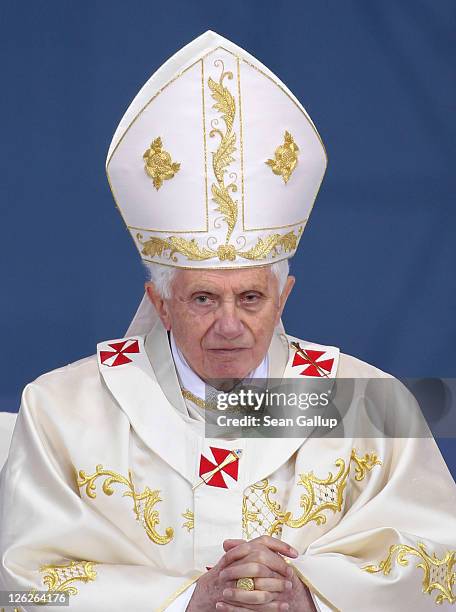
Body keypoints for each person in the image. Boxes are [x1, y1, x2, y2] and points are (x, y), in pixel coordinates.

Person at [0, 31, 455, 612]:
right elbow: (24, 584)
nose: (229, 326)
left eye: (250, 298)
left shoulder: (367, 405)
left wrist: (310, 597)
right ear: (160, 302)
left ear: (284, 296)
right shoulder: (61, 410)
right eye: (203, 299)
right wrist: (187, 601)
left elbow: (439, 563)